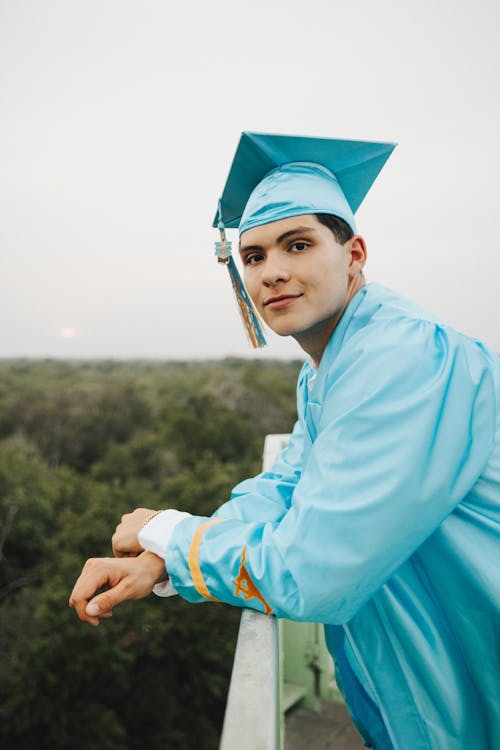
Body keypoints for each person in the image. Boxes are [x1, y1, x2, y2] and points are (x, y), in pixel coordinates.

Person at [70, 132, 500, 750]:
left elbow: (312, 571)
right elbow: (284, 486)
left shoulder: (403, 360)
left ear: (354, 253)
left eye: (297, 245)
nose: (272, 272)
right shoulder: (331, 367)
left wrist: (171, 530)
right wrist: (166, 557)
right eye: (253, 256)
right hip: (411, 660)